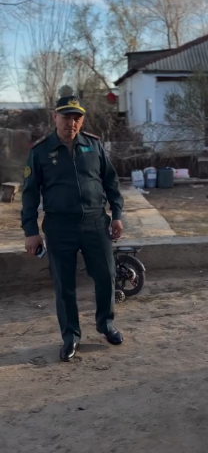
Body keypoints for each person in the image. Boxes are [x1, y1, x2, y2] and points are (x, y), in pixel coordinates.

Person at [21, 96, 124, 362]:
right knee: (64, 283)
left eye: (77, 117)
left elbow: (111, 182)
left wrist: (117, 215)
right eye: (66, 117)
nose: (72, 123)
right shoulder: (41, 151)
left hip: (95, 221)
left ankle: (106, 324)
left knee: (106, 275)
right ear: (54, 117)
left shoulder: (94, 145)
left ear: (82, 119)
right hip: (59, 226)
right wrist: (30, 231)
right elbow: (29, 194)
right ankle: (70, 336)